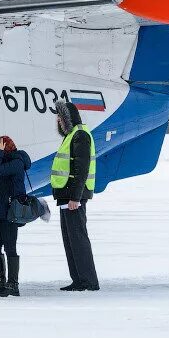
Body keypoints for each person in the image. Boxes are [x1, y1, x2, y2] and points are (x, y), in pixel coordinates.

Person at [52, 102, 100, 292]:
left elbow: (81, 169)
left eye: (60, 117)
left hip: (73, 197)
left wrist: (75, 197)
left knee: (78, 237)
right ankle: (78, 279)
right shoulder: (70, 136)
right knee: (70, 238)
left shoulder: (80, 135)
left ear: (68, 118)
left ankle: (89, 281)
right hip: (66, 196)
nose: (57, 120)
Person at [0, 135, 32, 296]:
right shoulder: (4, 161)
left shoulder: (17, 162)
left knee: (10, 247)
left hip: (10, 212)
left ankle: (13, 283)